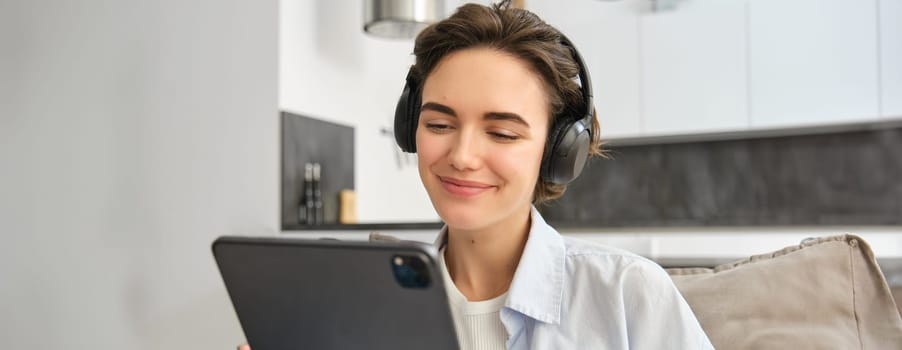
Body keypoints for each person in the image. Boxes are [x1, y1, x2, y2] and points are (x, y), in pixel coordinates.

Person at [240, 1, 713, 349]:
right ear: (411, 129)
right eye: (439, 125)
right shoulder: (354, 305)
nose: (462, 156)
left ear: (558, 151)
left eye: (503, 133)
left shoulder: (628, 297)